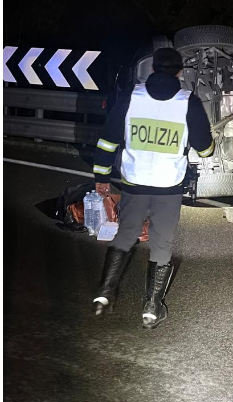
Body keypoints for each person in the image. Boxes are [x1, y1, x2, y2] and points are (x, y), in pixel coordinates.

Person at [91, 47, 215, 329]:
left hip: (134, 182)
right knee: (162, 242)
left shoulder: (131, 98)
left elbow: (108, 139)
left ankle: (105, 292)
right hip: (168, 186)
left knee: (126, 234)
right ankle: (151, 307)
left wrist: (101, 176)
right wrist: (207, 146)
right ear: (180, 72)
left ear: (153, 69)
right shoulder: (188, 102)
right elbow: (204, 148)